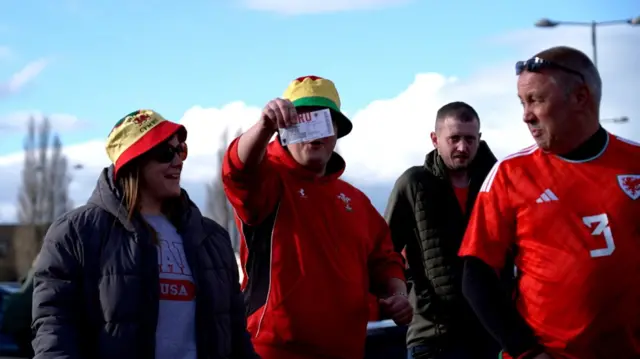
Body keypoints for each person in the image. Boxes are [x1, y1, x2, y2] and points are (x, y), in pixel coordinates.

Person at [459, 46, 640, 359]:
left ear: (580, 97)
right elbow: (475, 277)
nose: (526, 115)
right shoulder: (509, 174)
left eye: (536, 100)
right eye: (522, 102)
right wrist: (525, 351)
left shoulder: (634, 163)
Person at [31, 110, 258, 359]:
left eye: (180, 150)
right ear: (133, 163)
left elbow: (236, 335)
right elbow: (54, 327)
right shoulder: (76, 233)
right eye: (165, 153)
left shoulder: (211, 237)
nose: (178, 161)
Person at [222, 75, 412, 359]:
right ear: (284, 130)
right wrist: (263, 127)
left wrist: (397, 295)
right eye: (301, 121)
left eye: (323, 122)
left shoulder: (356, 201)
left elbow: (385, 260)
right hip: (273, 352)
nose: (313, 133)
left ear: (336, 132)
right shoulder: (268, 181)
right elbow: (237, 170)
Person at [385, 102, 502, 359]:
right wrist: (404, 295)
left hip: (493, 334)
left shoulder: (498, 182)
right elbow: (385, 251)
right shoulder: (414, 184)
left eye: (470, 139)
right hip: (432, 335)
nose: (463, 147)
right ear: (435, 139)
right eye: (454, 139)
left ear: (480, 139)